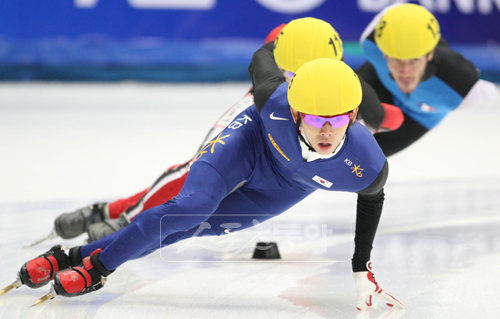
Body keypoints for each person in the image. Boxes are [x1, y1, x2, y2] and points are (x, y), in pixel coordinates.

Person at [13, 54, 406, 311]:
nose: (325, 130)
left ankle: (69, 258)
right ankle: (97, 268)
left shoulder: (367, 164)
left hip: (284, 186)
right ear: (295, 110)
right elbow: (264, 55)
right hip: (248, 141)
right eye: (313, 118)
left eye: (336, 120)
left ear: (354, 115)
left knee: (184, 230)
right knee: (188, 208)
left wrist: (361, 268)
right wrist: (287, 41)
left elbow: (372, 201)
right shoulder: (273, 100)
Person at [36, 18, 404, 246]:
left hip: (295, 134)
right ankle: (123, 216)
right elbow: (261, 67)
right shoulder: (283, 43)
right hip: (260, 111)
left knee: (209, 186)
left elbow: (380, 113)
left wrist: (383, 115)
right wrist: (390, 116)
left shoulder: (339, 81)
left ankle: (111, 211)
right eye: (292, 74)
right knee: (198, 172)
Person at [356, 3, 498, 156]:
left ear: (430, 54)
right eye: (396, 60)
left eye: (414, 60)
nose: (405, 71)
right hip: (380, 82)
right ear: (384, 54)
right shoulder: (371, 45)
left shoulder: (463, 87)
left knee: (363, 157)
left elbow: (488, 96)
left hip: (418, 117)